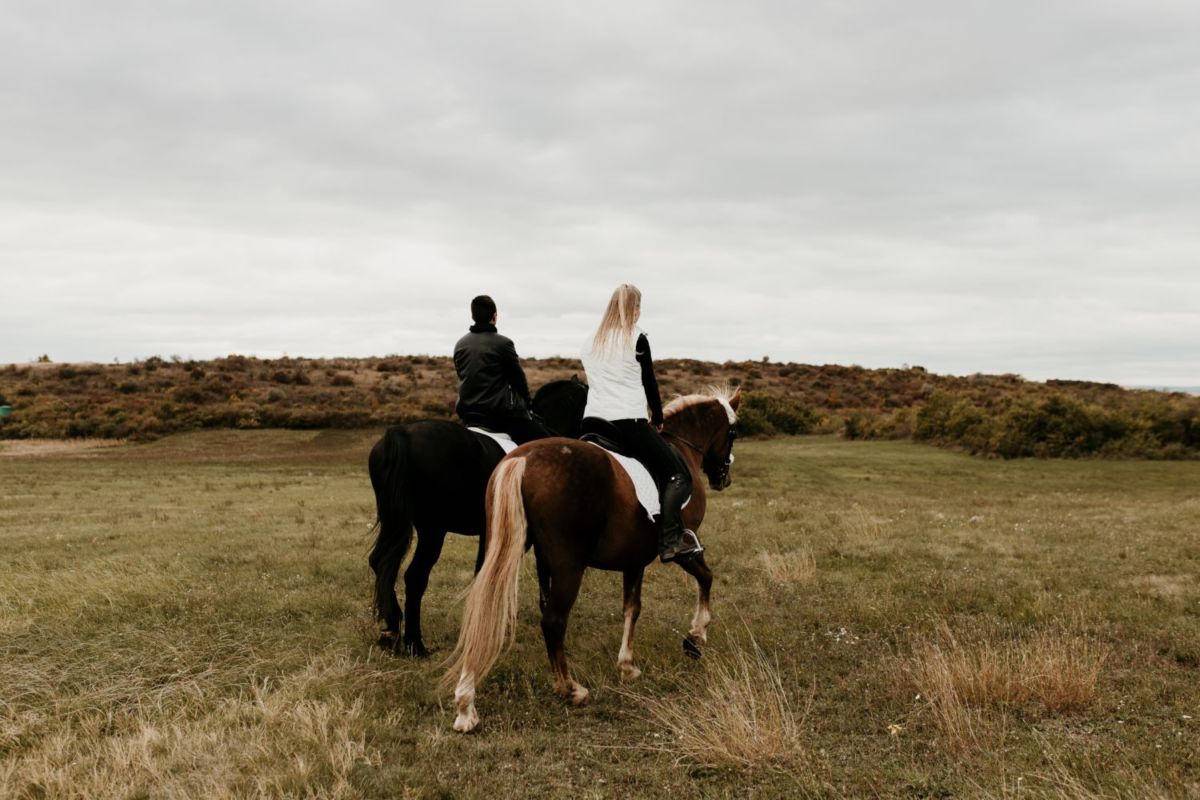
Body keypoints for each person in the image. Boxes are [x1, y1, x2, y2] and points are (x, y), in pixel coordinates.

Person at [580, 284, 703, 563]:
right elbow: (649, 382)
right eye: (637, 307)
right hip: (627, 421)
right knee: (677, 475)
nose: (638, 313)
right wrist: (657, 417)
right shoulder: (636, 338)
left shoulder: (590, 341)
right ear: (631, 309)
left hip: (592, 422)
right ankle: (671, 539)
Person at [453, 295, 552, 445]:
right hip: (498, 415)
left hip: (468, 414)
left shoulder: (460, 344)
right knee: (547, 445)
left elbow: (461, 375)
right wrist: (528, 404)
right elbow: (517, 378)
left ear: (473, 316)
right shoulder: (503, 343)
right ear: (494, 316)